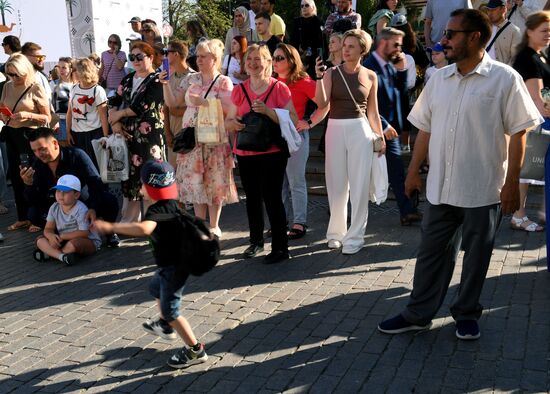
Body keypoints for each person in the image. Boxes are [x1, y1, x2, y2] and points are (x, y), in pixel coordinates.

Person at [378, 9, 542, 340]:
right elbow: (424, 128)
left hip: (483, 188)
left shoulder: (504, 78)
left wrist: (512, 184)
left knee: (476, 257)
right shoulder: (438, 78)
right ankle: (418, 313)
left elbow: (520, 132)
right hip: (440, 187)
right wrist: (413, 173)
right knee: (430, 255)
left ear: (475, 37)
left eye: (452, 34)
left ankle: (466, 313)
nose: (444, 39)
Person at [91, 160, 208, 369]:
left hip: (174, 269)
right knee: (156, 288)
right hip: (171, 266)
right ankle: (165, 324)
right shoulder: (170, 204)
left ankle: (195, 349)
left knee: (171, 311)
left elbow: (144, 229)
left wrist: (111, 226)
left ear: (148, 187)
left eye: (143, 184)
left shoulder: (157, 210)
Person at [225, 44, 298, 263]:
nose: (253, 63)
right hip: (246, 151)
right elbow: (228, 120)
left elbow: (293, 118)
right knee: (252, 199)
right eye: (250, 60)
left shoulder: (279, 88)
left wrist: (269, 112)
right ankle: (255, 242)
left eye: (258, 59)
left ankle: (280, 248)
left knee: (273, 197)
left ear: (268, 62)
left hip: (272, 151)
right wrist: (234, 124)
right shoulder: (238, 90)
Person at [315, 29, 386, 255]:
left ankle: (355, 237)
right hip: (335, 129)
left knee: (359, 185)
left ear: (362, 50)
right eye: (344, 45)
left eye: (351, 46)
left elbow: (373, 113)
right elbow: (321, 103)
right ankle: (335, 234)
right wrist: (318, 78)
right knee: (336, 186)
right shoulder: (331, 73)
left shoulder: (371, 76)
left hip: (360, 130)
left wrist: (380, 137)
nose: (345, 49)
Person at [162, 39, 238, 238]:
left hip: (214, 139)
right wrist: (165, 84)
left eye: (203, 56)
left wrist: (204, 102)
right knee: (195, 182)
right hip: (192, 139)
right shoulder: (191, 79)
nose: (199, 59)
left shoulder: (224, 81)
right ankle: (199, 224)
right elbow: (172, 103)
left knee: (214, 181)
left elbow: (230, 111)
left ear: (214, 59)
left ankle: (214, 225)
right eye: (198, 56)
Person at [364, 28, 423, 226]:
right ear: (383, 43)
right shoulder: (368, 66)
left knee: (396, 171)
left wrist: (402, 70)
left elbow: (400, 92)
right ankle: (339, 209)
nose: (399, 49)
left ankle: (407, 211)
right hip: (373, 129)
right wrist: (384, 124)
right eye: (396, 44)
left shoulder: (388, 64)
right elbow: (364, 103)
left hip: (391, 131)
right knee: (362, 173)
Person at [21, 128, 120, 246]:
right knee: (33, 214)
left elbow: (96, 183)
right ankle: (60, 236)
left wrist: (93, 207)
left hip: (82, 201)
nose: (38, 154)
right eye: (35, 151)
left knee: (108, 199)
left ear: (55, 143)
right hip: (58, 206)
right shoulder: (37, 164)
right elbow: (35, 200)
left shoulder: (76, 155)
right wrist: (29, 185)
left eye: (42, 149)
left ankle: (110, 232)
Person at [273, 43, 329, 240]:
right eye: (274, 57)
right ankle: (280, 221)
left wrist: (310, 122)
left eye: (280, 58)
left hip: (295, 137)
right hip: (274, 137)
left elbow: (324, 103)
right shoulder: (270, 82)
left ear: (291, 60)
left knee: (296, 181)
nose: (275, 61)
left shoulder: (302, 81)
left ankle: (299, 222)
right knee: (278, 183)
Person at [108, 41, 166, 222]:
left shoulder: (157, 79)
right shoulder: (127, 78)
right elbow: (113, 100)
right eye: (132, 57)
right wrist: (114, 122)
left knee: (150, 175)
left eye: (140, 57)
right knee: (130, 177)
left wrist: (119, 114)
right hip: (128, 135)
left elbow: (143, 106)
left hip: (150, 136)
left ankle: (152, 219)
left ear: (150, 57)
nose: (136, 60)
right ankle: (131, 218)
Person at [0, 54, 50, 232]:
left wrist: (27, 115)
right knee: (15, 176)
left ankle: (37, 217)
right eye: (9, 74)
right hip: (12, 134)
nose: (12, 78)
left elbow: (46, 117)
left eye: (16, 75)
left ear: (25, 71)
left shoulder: (35, 87)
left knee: (31, 176)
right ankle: (22, 217)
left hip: (29, 135)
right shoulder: (7, 86)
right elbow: (2, 107)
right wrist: (4, 115)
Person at [510, 11, 550, 231]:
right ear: (530, 31)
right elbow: (538, 98)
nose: (548, 35)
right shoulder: (528, 57)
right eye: (544, 31)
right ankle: (519, 214)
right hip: (536, 121)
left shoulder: (539, 55)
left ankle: (540, 211)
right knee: (527, 171)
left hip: (539, 120)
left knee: (533, 170)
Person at [33, 175, 101, 265]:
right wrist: (51, 236)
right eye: (58, 191)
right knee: (39, 240)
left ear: (76, 195)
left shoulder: (81, 209)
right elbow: (48, 228)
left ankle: (52, 254)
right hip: (64, 240)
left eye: (65, 192)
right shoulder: (54, 207)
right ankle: (62, 257)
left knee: (74, 244)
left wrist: (62, 237)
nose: (61, 195)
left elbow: (84, 233)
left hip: (86, 241)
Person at [66, 58, 109, 171]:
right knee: (81, 167)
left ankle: (100, 189)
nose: (72, 72)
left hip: (94, 134)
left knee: (96, 167)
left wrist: (105, 136)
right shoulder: (74, 88)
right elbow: (69, 112)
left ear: (83, 71)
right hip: (77, 134)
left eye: (75, 69)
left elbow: (103, 116)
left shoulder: (98, 90)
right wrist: (68, 131)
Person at [162, 40, 195, 168]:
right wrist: (168, 132)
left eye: (167, 52)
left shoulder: (193, 77)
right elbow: (166, 107)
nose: (164, 56)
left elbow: (196, 107)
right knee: (174, 173)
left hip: (188, 135)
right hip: (173, 133)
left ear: (176, 54)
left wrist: (177, 110)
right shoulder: (169, 77)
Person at [291, 0, 324, 78]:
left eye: (306, 5)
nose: (304, 8)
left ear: (312, 7)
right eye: (302, 6)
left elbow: (321, 43)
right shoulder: (297, 22)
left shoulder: (318, 22)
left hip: (314, 59)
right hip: (298, 58)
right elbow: (292, 41)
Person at [485, 0, 522, 65]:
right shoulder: (483, 25)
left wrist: (501, 73)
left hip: (495, 72)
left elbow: (515, 59)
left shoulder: (514, 31)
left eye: (493, 10)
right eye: (488, 10)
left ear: (503, 10)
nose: (490, 13)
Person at [52, 57, 75, 145]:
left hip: (77, 122)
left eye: (64, 67)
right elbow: (50, 105)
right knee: (65, 149)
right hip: (61, 122)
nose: (60, 70)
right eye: (59, 67)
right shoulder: (54, 84)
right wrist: (54, 122)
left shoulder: (77, 84)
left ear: (71, 69)